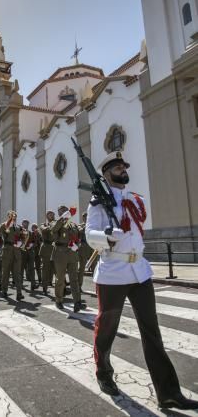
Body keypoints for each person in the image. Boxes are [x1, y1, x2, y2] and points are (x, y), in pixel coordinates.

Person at [85, 151, 198, 410]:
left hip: (140, 271)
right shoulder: (97, 202)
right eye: (117, 167)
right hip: (113, 272)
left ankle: (168, 393)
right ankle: (103, 371)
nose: (123, 169)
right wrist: (106, 235)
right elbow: (89, 235)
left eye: (124, 166)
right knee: (107, 328)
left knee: (152, 332)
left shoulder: (135, 199)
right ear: (106, 174)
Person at [51, 205, 82, 312]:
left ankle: (77, 302)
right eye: (62, 211)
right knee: (60, 279)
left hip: (72, 253)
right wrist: (62, 219)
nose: (65, 212)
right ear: (59, 213)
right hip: (60, 253)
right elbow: (54, 230)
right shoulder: (55, 222)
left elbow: (79, 236)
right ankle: (59, 300)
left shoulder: (73, 224)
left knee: (74, 279)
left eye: (66, 210)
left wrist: (77, 245)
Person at [0, 211, 24, 301]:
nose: (13, 217)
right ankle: (4, 291)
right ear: (8, 216)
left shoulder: (18, 227)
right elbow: (2, 231)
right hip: (7, 250)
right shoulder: (4, 225)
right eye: (11, 216)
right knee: (5, 272)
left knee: (17, 273)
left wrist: (21, 242)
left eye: (14, 216)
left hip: (17, 251)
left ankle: (19, 293)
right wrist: (8, 224)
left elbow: (23, 236)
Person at [39, 211, 55, 295]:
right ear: (47, 216)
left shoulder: (56, 223)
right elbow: (44, 230)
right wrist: (52, 225)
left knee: (56, 268)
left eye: (52, 215)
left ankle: (61, 288)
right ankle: (44, 287)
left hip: (55, 248)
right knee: (45, 269)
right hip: (46, 248)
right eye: (49, 215)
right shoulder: (43, 224)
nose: (51, 216)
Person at [77, 212, 94, 291]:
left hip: (93, 247)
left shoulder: (93, 225)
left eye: (88, 217)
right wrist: (86, 225)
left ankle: (97, 287)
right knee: (82, 268)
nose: (86, 218)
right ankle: (79, 285)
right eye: (85, 217)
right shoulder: (80, 226)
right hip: (84, 247)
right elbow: (79, 231)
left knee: (95, 266)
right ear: (83, 218)